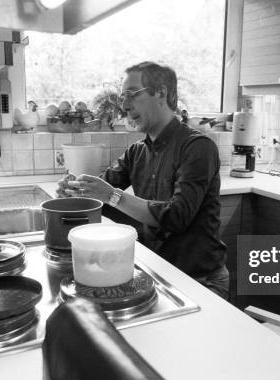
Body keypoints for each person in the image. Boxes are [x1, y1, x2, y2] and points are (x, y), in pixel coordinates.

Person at [58, 61, 229, 299]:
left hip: (201, 280)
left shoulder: (198, 148)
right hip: (159, 273)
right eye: (122, 97)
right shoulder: (136, 152)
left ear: (161, 93)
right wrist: (76, 191)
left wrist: (110, 195)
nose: (125, 106)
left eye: (132, 95)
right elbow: (103, 196)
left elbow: (175, 217)